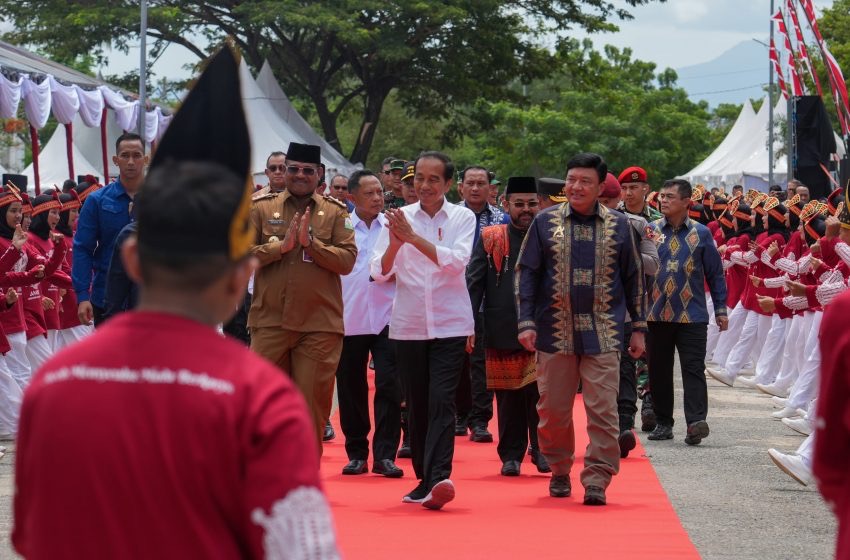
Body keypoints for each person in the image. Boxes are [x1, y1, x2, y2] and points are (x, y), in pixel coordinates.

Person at [11, 47, 339, 559]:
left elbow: (35, 539)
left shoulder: (54, 383)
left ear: (135, 260)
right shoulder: (262, 401)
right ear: (241, 278)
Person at [516, 152, 646, 506]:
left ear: (600, 186)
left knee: (603, 410)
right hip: (554, 332)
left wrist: (638, 327)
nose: (576, 186)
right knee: (553, 410)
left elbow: (634, 279)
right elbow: (526, 274)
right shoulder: (544, 223)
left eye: (585, 181)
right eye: (571, 179)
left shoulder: (620, 225)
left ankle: (597, 479)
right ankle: (559, 469)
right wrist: (526, 321)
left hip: (604, 332)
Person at [371, 150, 476, 510]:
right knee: (415, 403)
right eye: (419, 179)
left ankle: (439, 477)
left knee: (442, 399)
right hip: (409, 324)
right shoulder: (397, 219)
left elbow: (455, 263)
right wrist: (397, 242)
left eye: (434, 179)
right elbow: (378, 272)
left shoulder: (462, 217)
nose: (425, 186)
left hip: (450, 323)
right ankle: (424, 480)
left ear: (448, 183)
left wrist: (413, 239)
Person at [248, 141, 357, 450]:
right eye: (292, 169)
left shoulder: (335, 213)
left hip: (318, 326)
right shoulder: (261, 208)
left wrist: (311, 244)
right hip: (270, 323)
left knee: (310, 413)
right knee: (262, 408)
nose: (298, 175)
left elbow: (347, 261)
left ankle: (303, 488)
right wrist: (278, 248)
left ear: (319, 174)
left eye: (307, 171)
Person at [467, 176, 549, 476]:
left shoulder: (549, 236)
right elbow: (474, 283)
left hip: (543, 329)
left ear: (539, 204)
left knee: (541, 396)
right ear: (506, 204)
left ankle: (542, 451)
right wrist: (467, 323)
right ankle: (511, 456)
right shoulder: (491, 237)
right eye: (519, 204)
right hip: (501, 327)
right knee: (508, 397)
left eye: (531, 203)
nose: (526, 210)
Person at [646, 179, 728, 445]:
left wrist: (720, 308)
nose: (664, 201)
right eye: (663, 196)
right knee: (658, 370)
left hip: (692, 315)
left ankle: (695, 423)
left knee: (693, 369)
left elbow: (715, 274)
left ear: (686, 202)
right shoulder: (652, 230)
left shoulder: (702, 233)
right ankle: (663, 422)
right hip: (656, 314)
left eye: (670, 197)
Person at [335, 170, 403, 478]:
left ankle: (386, 454)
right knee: (351, 386)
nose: (377, 198)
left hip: (389, 315)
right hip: (349, 316)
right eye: (369, 193)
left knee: (390, 383)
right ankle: (357, 452)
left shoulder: (394, 224)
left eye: (379, 192)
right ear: (351, 197)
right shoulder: (338, 225)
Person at [73, 132, 146, 327]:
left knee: (147, 357)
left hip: (150, 299)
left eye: (137, 155)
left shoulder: (161, 200)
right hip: (105, 297)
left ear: (145, 159)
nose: (131, 161)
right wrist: (82, 295)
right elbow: (82, 248)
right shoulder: (97, 201)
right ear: (116, 160)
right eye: (125, 155)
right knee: (108, 357)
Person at [456, 165, 505, 442]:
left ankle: (481, 419)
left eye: (481, 183)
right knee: (456, 361)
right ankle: (459, 415)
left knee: (483, 361)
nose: (475, 188)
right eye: (470, 183)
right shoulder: (449, 216)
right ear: (460, 187)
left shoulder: (501, 219)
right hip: (452, 299)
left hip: (489, 301)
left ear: (490, 187)